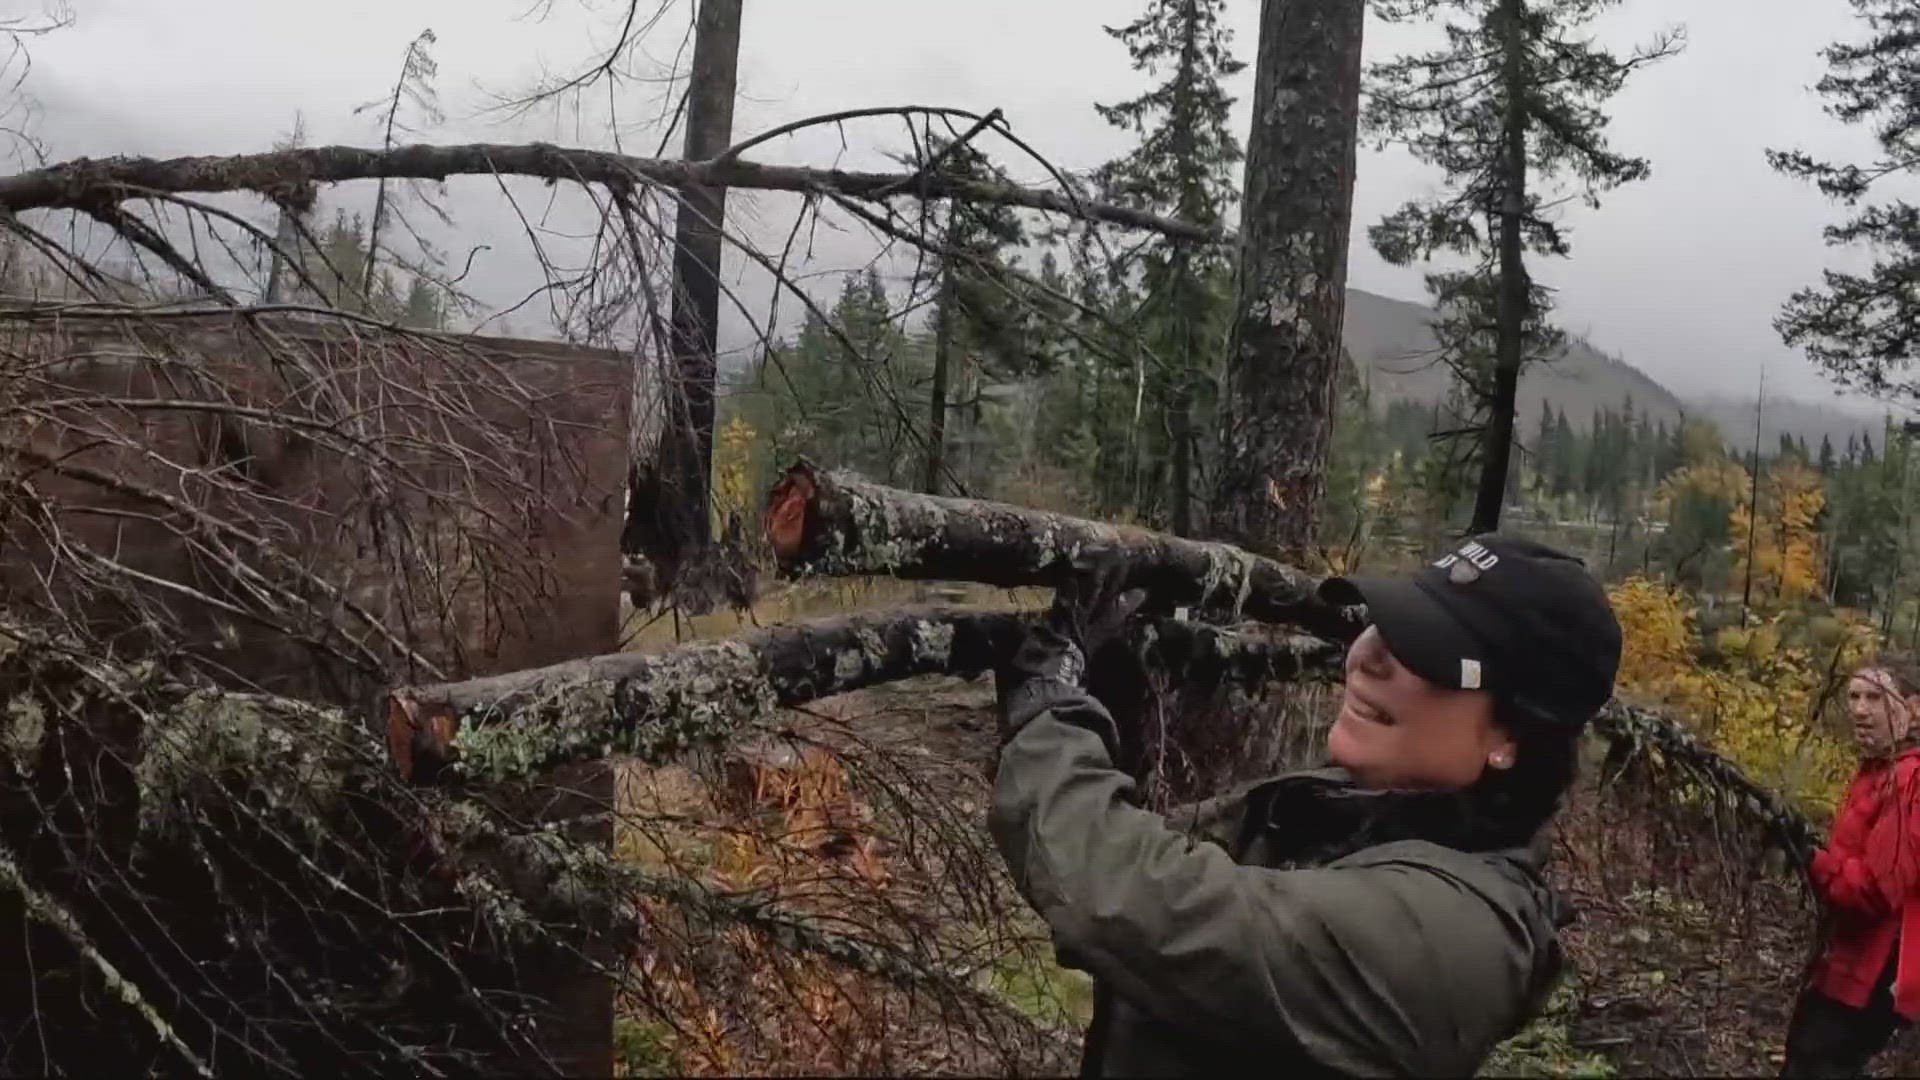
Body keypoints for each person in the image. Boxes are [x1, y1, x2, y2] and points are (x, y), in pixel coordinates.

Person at [987, 533, 1623, 1076]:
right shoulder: (1352, 815)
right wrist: (1112, 700)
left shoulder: (1452, 939)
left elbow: (1137, 906)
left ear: (1511, 736)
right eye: (1383, 627)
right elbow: (1140, 853)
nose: (1367, 655)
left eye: (1424, 653)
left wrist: (1052, 708)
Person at [1779, 661, 1920, 1077]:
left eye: (1876, 697)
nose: (1860, 709)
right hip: (1850, 955)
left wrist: (1810, 859)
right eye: (1854, 696)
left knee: (1816, 1061)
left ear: (1913, 709)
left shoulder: (1909, 780)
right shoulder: (1878, 772)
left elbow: (1875, 891)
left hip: (1875, 966)